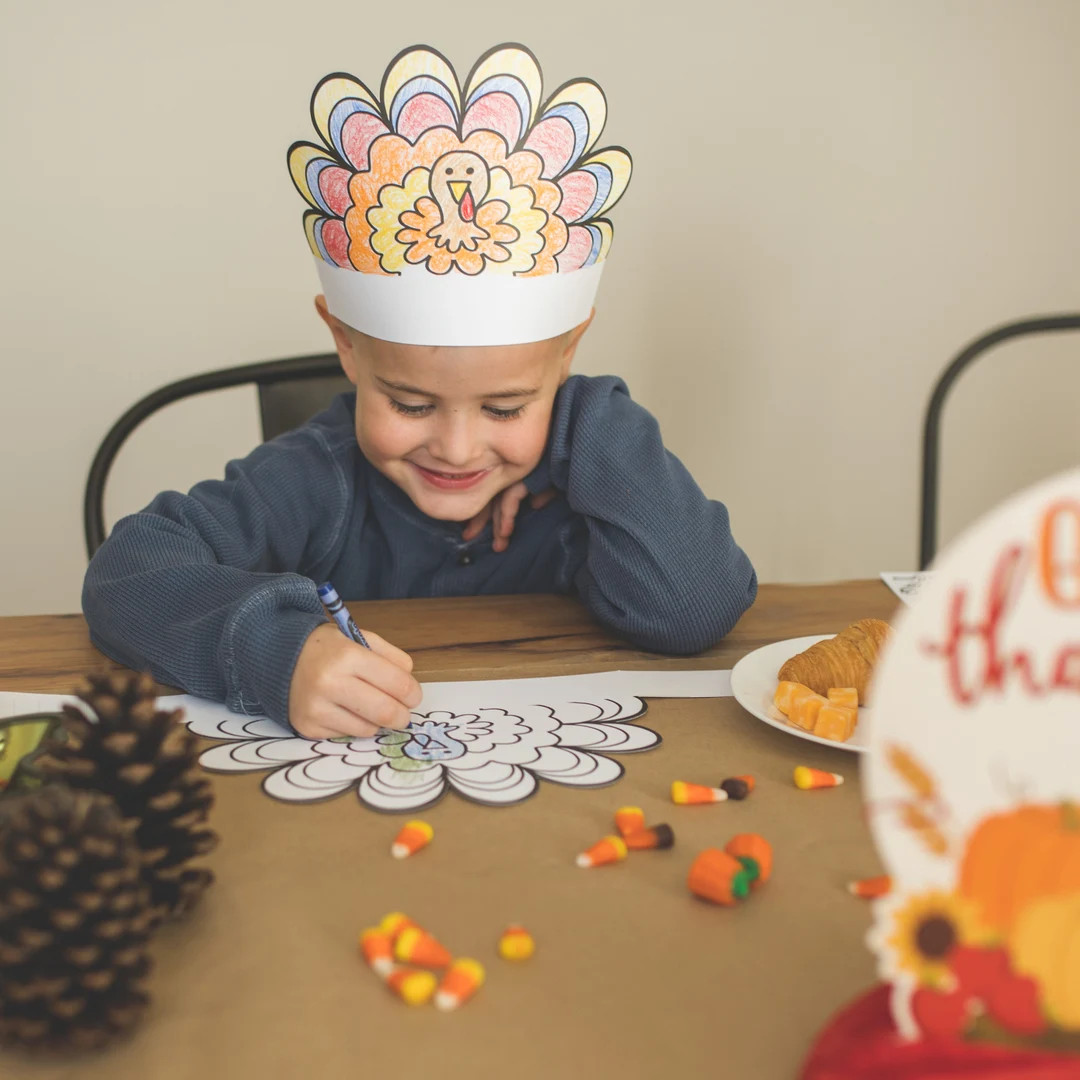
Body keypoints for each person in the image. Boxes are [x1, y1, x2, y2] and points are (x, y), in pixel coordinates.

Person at [82, 42, 757, 740]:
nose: (459, 448)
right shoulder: (315, 479)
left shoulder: (580, 490)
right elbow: (123, 577)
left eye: (506, 407)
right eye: (409, 404)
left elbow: (696, 609)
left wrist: (579, 418)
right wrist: (275, 650)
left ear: (566, 357)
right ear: (346, 343)